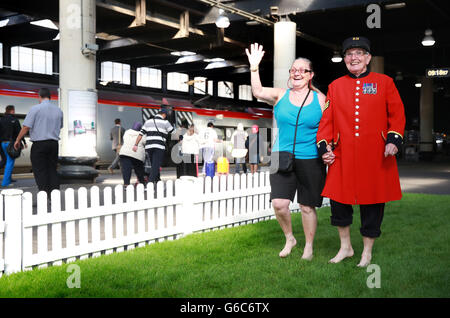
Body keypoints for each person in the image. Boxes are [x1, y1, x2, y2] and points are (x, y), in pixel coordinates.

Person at [316, 36, 406, 267]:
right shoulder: (335, 87)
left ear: (368, 58)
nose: (353, 57)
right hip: (343, 156)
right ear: (344, 59)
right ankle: (345, 247)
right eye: (349, 54)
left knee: (373, 204)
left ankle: (367, 252)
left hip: (375, 155)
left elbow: (397, 114)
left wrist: (394, 139)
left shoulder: (384, 82)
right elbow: (326, 121)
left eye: (359, 53)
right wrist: (325, 146)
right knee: (338, 203)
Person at [246, 43, 327, 260]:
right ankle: (290, 238)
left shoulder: (321, 99)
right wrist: (254, 67)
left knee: (307, 206)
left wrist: (329, 149)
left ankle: (309, 246)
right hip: (281, 155)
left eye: (302, 70)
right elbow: (257, 91)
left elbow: (331, 127)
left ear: (311, 75)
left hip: (310, 157)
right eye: (293, 70)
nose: (297, 73)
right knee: (279, 204)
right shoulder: (280, 95)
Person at [14, 88, 63, 196]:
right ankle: (54, 196)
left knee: (40, 171)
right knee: (52, 169)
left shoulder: (35, 109)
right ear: (49, 97)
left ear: (39, 97)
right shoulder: (58, 110)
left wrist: (18, 140)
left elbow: (26, 127)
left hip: (39, 144)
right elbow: (60, 126)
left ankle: (44, 196)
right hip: (53, 144)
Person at [133, 109, 174, 184]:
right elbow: (174, 133)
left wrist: (135, 144)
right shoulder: (165, 122)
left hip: (149, 147)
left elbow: (141, 134)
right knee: (155, 166)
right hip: (159, 147)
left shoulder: (148, 122)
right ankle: (150, 183)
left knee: (154, 164)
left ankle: (158, 181)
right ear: (164, 115)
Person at [0, 105, 27, 187]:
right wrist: (23, 142)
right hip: (11, 144)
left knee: (6, 160)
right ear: (12, 111)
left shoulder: (1, 119)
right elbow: (19, 132)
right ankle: (5, 183)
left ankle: (9, 178)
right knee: (10, 162)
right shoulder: (14, 120)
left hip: (2, 143)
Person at [119, 121, 146, 186]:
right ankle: (142, 182)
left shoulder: (127, 132)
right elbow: (145, 142)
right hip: (137, 154)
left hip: (125, 153)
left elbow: (124, 139)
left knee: (126, 169)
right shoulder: (142, 134)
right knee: (139, 169)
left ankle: (126, 184)